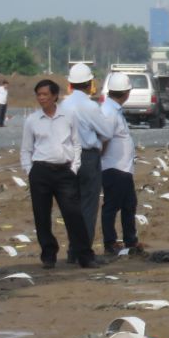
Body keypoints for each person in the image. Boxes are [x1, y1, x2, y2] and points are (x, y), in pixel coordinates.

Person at [20, 79, 97, 269]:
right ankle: (48, 255)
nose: (42, 98)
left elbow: (76, 143)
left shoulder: (68, 116)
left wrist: (74, 167)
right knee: (42, 216)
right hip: (40, 171)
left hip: (64, 171)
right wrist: (30, 171)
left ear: (55, 96)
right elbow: (25, 149)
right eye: (39, 95)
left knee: (73, 214)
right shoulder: (32, 120)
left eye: (45, 94)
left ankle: (84, 255)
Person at [58, 63, 110, 262]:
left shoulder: (63, 106)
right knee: (88, 205)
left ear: (70, 84)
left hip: (67, 159)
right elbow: (106, 133)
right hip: (88, 157)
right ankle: (83, 253)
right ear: (89, 83)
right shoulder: (90, 106)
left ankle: (73, 251)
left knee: (72, 207)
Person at [98, 72, 142, 256]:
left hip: (122, 167)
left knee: (129, 204)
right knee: (112, 206)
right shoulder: (109, 112)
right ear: (126, 92)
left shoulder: (112, 109)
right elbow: (105, 138)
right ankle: (110, 243)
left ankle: (130, 240)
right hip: (114, 167)